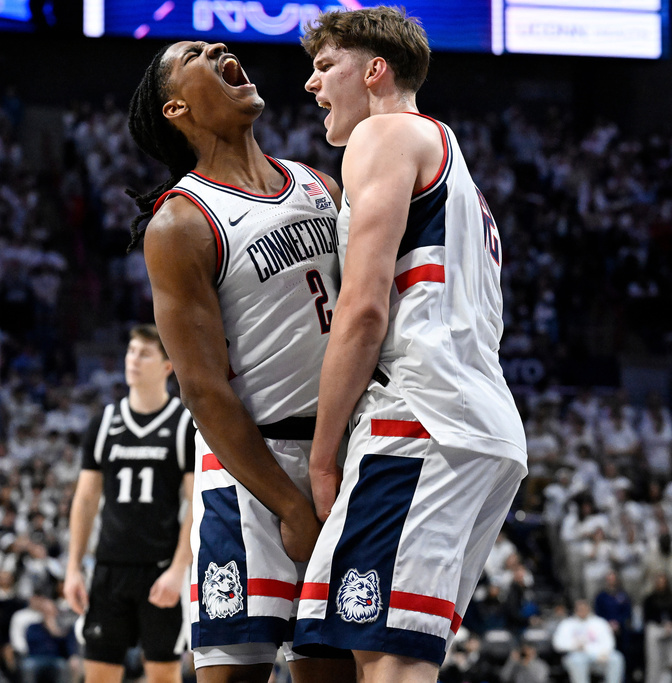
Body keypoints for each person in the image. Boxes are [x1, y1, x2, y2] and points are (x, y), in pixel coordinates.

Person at [293, 7, 528, 681]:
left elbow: (363, 311)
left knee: (391, 662)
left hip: (421, 420)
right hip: (474, 428)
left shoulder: (385, 134)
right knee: (351, 645)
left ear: (376, 71)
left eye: (325, 65)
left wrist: (322, 452)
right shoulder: (457, 172)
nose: (311, 85)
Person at [125, 40, 353, 683]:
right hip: (252, 478)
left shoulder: (318, 183)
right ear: (175, 107)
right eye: (194, 53)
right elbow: (202, 391)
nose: (217, 47)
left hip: (337, 459)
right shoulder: (181, 223)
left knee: (332, 672)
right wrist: (290, 506)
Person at [63, 325, 196, 683]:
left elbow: (195, 505)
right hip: (108, 569)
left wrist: (179, 570)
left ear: (168, 366)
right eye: (131, 352)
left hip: (160, 570)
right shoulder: (104, 423)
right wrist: (74, 566)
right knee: (99, 675)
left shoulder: (184, 425)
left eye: (144, 353)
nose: (133, 360)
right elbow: (86, 499)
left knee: (164, 675)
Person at [552, 599, 626, 683]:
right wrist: (574, 646)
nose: (582, 611)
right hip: (577, 654)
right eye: (580, 609)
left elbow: (609, 641)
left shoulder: (599, 622)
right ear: (575, 610)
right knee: (577, 661)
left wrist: (605, 652)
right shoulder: (567, 624)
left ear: (589, 609)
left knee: (617, 658)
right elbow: (557, 644)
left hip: (598, 655)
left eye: (584, 609)